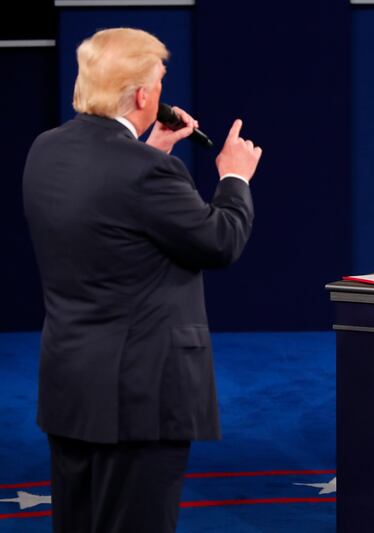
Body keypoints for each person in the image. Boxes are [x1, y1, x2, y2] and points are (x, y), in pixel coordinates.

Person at [22, 28, 262, 533]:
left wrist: (154, 151)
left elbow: (112, 215)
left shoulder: (45, 151)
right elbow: (220, 241)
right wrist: (234, 178)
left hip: (71, 390)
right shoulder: (145, 172)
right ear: (143, 95)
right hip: (140, 399)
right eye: (159, 79)